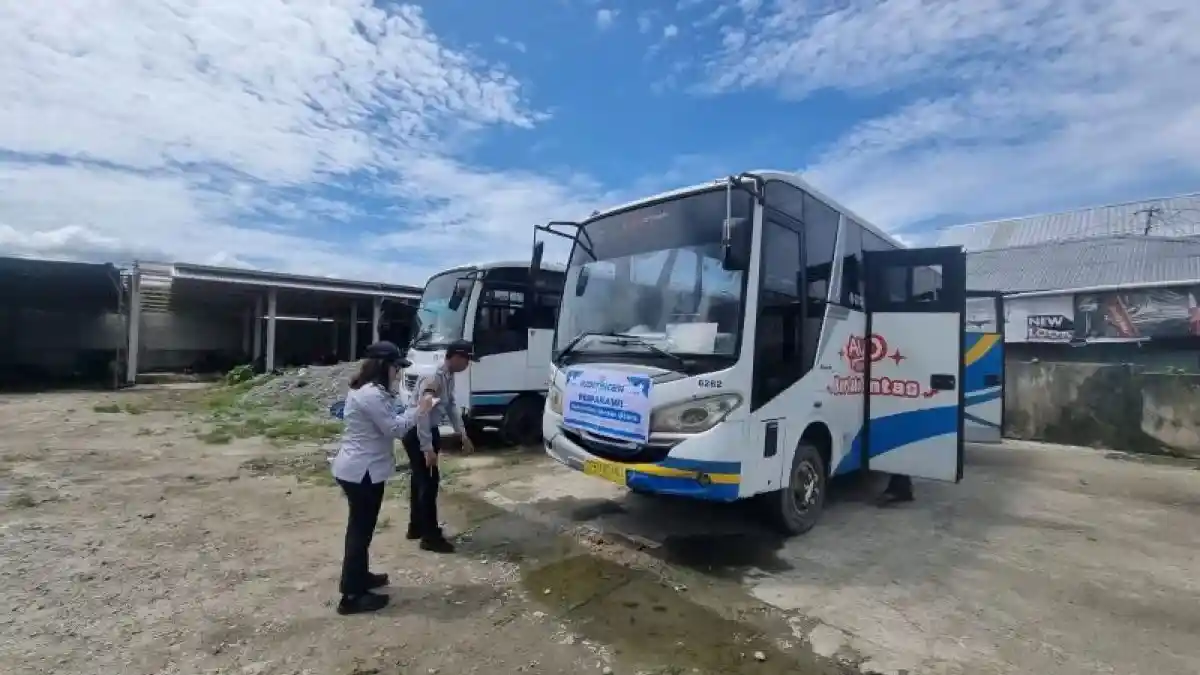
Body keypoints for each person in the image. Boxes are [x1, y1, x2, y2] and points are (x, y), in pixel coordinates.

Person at [330, 341, 435, 615]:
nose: (397, 373)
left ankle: (360, 577)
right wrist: (421, 408)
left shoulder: (372, 391)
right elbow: (395, 429)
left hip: (363, 470)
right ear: (382, 366)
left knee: (362, 530)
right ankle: (351, 595)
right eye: (395, 368)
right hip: (361, 472)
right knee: (359, 531)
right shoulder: (371, 395)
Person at [402, 339, 478, 553]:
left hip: (424, 430)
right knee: (428, 484)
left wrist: (462, 433)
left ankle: (416, 527)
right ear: (456, 357)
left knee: (420, 481)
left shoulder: (447, 376)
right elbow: (423, 413)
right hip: (418, 432)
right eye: (466, 360)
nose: (467, 365)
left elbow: (451, 405)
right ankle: (430, 537)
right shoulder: (434, 378)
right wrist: (427, 448)